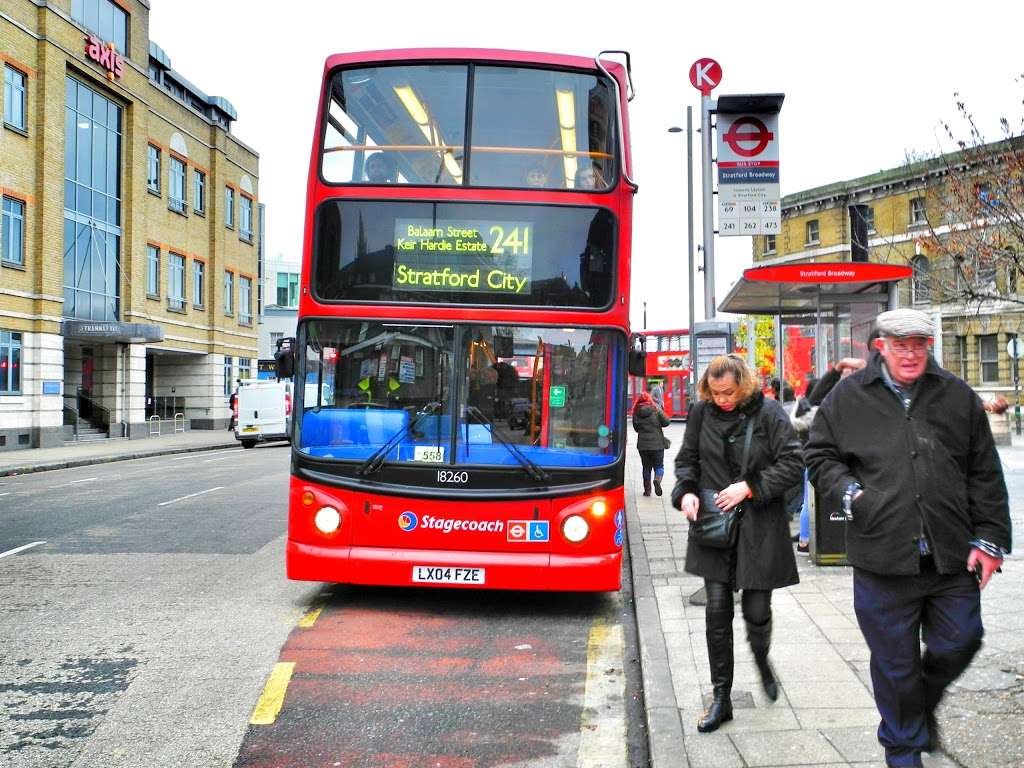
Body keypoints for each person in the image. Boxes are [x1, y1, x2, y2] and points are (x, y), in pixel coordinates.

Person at [804, 309, 1011, 768]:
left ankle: (920, 705)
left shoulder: (955, 396)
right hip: (882, 557)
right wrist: (852, 494)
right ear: (881, 346)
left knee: (962, 640)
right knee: (895, 667)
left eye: (919, 344)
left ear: (929, 347)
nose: (911, 353)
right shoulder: (849, 397)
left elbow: (983, 472)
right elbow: (818, 455)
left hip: (950, 554)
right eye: (901, 345)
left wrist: (991, 540)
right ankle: (903, 751)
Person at [671, 353, 802, 733]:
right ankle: (721, 698)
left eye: (728, 392)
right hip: (713, 525)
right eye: (715, 393)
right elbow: (687, 461)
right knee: (716, 611)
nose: (722, 399)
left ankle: (761, 658)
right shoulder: (700, 413)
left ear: (743, 384)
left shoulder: (770, 414)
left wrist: (751, 486)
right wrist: (686, 493)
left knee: (757, 612)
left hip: (759, 525)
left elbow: (793, 463)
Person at [632, 390, 670, 497]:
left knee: (646, 467)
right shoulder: (656, 410)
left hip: (643, 445)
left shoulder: (636, 413)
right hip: (657, 444)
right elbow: (666, 422)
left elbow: (636, 428)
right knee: (659, 466)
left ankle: (647, 491)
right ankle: (657, 480)